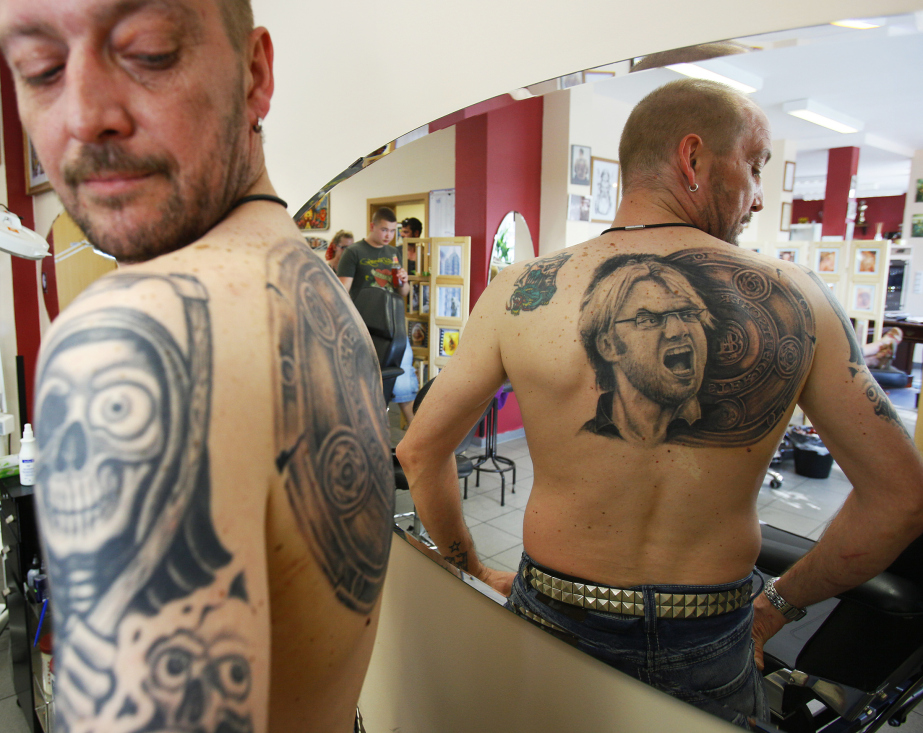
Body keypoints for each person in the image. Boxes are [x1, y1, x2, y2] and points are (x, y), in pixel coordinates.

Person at [397, 78, 923, 729]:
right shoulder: (800, 300)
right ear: (693, 158)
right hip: (711, 634)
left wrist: (470, 568)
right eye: (755, 166)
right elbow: (901, 498)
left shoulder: (519, 290)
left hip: (553, 612)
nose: (760, 196)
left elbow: (419, 450)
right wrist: (778, 606)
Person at [0, 1, 394, 732]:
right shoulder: (313, 290)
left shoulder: (130, 337)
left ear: (254, 74)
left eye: (148, 52)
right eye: (41, 69)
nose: (86, 114)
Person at [339, 207, 419, 425]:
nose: (388, 235)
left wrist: (403, 282)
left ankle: (418, 440)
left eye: (393, 231)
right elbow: (342, 292)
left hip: (394, 328)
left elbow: (403, 293)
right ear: (372, 226)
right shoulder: (354, 252)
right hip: (365, 329)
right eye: (384, 230)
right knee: (366, 384)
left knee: (404, 381)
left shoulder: (394, 253)